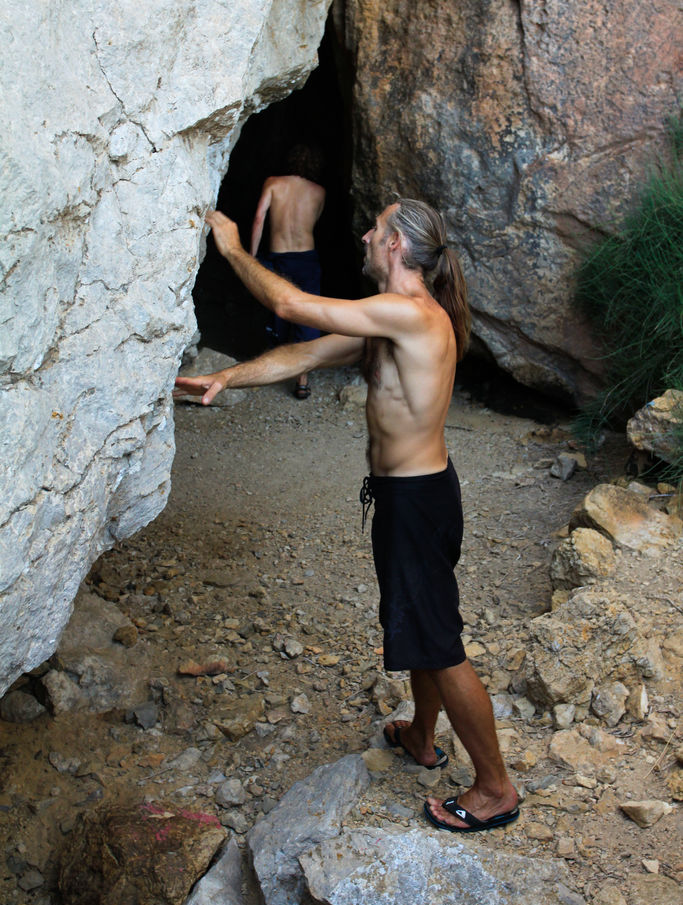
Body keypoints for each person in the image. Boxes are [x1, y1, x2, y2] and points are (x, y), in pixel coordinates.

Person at [174, 199, 519, 833]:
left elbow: (291, 308)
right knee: (420, 629)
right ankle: (420, 736)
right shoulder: (388, 322)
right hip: (410, 499)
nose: (364, 234)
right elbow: (304, 354)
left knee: (441, 646)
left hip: (416, 503)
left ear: (395, 248)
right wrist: (227, 377)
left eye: (376, 229)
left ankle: (496, 787)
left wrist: (231, 249)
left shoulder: (407, 312)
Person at [250, 144, 326, 399]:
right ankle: (302, 381)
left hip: (279, 255)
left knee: (277, 310)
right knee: (306, 314)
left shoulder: (272, 183)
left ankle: (273, 367)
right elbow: (313, 222)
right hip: (306, 257)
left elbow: (259, 218)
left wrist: (251, 257)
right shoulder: (319, 192)